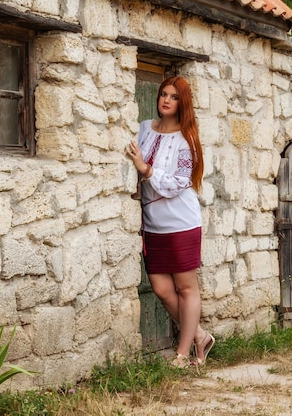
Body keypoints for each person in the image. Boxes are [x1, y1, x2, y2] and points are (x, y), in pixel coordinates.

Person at [126, 76, 214, 368]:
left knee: (186, 288)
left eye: (174, 97)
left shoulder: (186, 140)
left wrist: (146, 169)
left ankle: (182, 353)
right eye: (163, 94)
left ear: (182, 103)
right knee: (162, 289)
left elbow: (179, 183)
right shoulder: (143, 129)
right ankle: (200, 336)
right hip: (153, 222)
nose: (166, 100)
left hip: (181, 223)